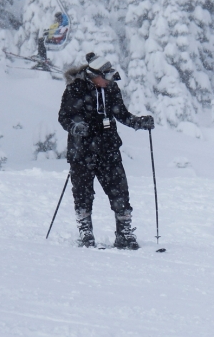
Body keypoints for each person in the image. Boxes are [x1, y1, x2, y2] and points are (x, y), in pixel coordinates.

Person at [58, 52, 154, 249]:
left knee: (119, 190)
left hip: (108, 148)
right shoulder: (75, 89)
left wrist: (139, 122)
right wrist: (77, 126)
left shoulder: (111, 89)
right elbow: (64, 117)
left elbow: (121, 114)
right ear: (94, 75)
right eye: (106, 77)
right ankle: (86, 232)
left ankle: (124, 233)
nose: (109, 81)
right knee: (83, 192)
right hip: (81, 150)